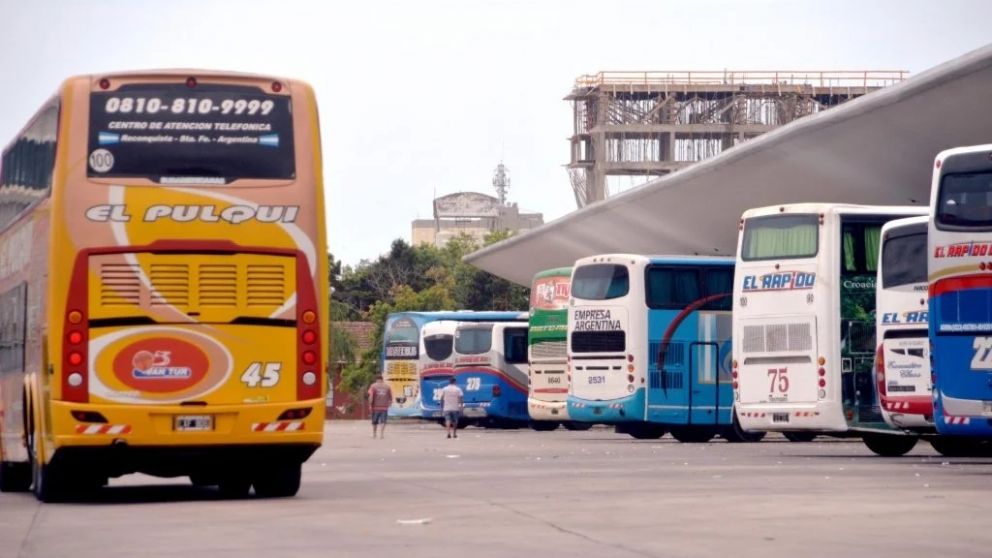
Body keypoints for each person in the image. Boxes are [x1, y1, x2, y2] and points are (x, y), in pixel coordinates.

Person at [367, 375, 393, 439]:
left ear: (376, 379)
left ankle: (374, 434)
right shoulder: (387, 387)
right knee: (383, 421)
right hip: (384, 407)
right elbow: (391, 397)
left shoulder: (373, 386)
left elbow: (371, 396)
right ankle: (381, 434)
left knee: (374, 421)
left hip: (375, 407)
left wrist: (370, 405)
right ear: (382, 379)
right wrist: (389, 404)